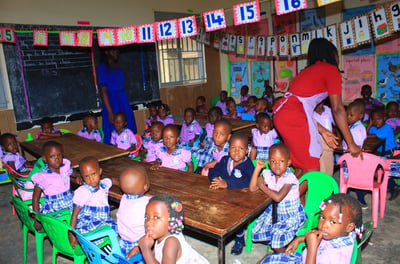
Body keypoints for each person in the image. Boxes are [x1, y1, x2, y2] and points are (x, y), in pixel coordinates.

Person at [272, 38, 362, 180]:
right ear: (332, 54)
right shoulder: (331, 70)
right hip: (294, 115)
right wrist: (351, 144)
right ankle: (292, 199)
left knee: (301, 168)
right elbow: (337, 109)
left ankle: (296, 201)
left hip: (281, 115)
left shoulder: (306, 72)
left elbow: (302, 110)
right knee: (313, 170)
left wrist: (324, 131)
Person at [263, 193, 363, 264]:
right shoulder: (338, 234)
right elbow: (319, 236)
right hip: (303, 259)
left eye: (332, 222)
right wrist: (301, 238)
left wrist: (312, 248)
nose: (324, 225)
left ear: (349, 227)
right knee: (270, 260)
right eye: (322, 217)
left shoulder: (336, 256)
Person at [250, 143, 306, 255]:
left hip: (290, 216)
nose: (277, 165)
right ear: (269, 163)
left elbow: (278, 197)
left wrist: (261, 186)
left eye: (281, 161)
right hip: (274, 213)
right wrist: (257, 169)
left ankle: (284, 256)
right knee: (255, 232)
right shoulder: (268, 174)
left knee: (276, 242)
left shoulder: (289, 178)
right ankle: (285, 240)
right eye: (273, 161)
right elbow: (252, 188)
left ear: (288, 163)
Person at [208, 132, 254, 255]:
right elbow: (213, 170)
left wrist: (227, 183)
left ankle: (239, 238)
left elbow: (248, 181)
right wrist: (217, 178)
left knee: (236, 218)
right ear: (228, 150)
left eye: (241, 148)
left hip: (241, 199)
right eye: (233, 148)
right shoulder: (225, 160)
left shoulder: (248, 165)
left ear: (247, 151)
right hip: (224, 197)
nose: (237, 151)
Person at [138, 194, 209, 263]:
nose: (149, 222)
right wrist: (139, 248)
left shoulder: (171, 242)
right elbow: (156, 254)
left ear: (172, 220)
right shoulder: (161, 234)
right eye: (147, 217)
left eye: (156, 217)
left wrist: (145, 249)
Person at [69, 157, 116, 249]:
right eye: (86, 176)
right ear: (82, 177)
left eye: (93, 174)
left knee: (121, 230)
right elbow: (74, 215)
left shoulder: (103, 184)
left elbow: (112, 180)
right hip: (89, 224)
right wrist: (71, 236)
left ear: (100, 171)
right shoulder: (83, 192)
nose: (91, 179)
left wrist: (123, 184)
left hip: (103, 220)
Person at [97, 47, 137, 145]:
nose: (116, 52)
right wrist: (110, 112)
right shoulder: (103, 67)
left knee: (127, 128)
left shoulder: (116, 67)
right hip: (112, 102)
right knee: (113, 131)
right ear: (106, 52)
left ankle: (128, 150)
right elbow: (104, 91)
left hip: (122, 100)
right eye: (113, 50)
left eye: (117, 50)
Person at [32, 141, 74, 231]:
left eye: (59, 155)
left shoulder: (64, 167)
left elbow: (72, 172)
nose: (57, 159)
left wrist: (78, 176)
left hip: (69, 200)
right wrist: (37, 218)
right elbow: (35, 198)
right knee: (62, 225)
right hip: (55, 207)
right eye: (52, 156)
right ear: (45, 159)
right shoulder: (43, 176)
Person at [117, 165, 151, 258]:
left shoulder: (124, 198)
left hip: (123, 242)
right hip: (138, 245)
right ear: (146, 186)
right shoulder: (147, 203)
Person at [1, 133, 34, 200]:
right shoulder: (10, 158)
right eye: (10, 145)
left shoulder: (13, 153)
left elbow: (22, 162)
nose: (14, 146)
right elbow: (14, 174)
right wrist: (29, 173)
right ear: (3, 148)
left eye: (15, 143)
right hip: (22, 180)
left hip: (23, 172)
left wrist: (31, 166)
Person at [312, 101, 336, 176]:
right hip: (315, 142)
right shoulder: (310, 112)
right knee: (320, 166)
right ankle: (321, 184)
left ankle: (328, 184)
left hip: (328, 142)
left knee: (328, 164)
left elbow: (336, 124)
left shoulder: (328, 111)